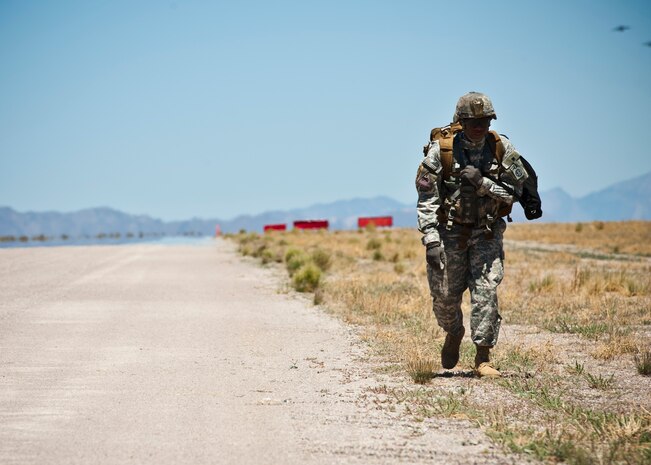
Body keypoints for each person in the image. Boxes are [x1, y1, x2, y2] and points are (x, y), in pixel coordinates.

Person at [415, 92, 528, 378]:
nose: (479, 127)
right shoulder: (442, 151)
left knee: (486, 291)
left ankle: (483, 357)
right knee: (444, 299)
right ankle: (453, 332)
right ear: (461, 122)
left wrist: (484, 184)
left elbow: (517, 193)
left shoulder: (501, 148)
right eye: (473, 122)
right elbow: (427, 198)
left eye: (485, 121)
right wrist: (430, 238)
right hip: (449, 232)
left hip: (486, 232)